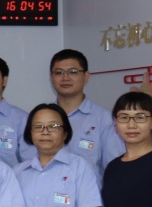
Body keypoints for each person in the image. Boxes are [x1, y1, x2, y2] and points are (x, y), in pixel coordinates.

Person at [49, 48, 125, 177]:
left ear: (86, 76)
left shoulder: (103, 119)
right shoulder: (41, 119)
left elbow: (114, 169)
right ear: (51, 77)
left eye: (73, 72)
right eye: (59, 72)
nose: (65, 77)